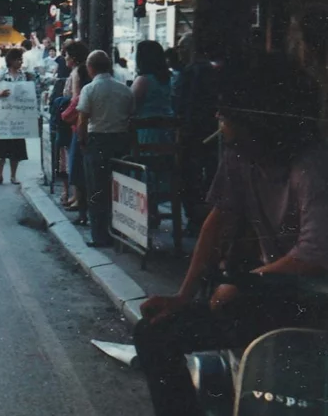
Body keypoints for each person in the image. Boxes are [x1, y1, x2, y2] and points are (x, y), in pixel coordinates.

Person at [133, 51, 327, 416]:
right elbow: (216, 221)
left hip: (312, 304)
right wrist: (182, 296)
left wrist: (246, 282)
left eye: (224, 112)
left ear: (254, 116)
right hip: (268, 293)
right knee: (155, 333)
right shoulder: (239, 158)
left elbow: (312, 257)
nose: (218, 118)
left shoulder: (311, 167)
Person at [76, 50, 134, 247]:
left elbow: (83, 120)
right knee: (119, 188)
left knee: (96, 190)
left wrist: (82, 141)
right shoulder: (124, 89)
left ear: (90, 68)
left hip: (98, 141)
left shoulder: (89, 89)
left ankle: (100, 235)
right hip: (121, 141)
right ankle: (120, 231)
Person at [172, 34, 220, 234]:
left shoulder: (190, 72)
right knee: (209, 175)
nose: (180, 53)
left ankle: (195, 219)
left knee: (189, 176)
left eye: (182, 49)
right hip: (211, 131)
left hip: (192, 132)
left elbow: (181, 104)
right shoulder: (211, 70)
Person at [59, 42, 91, 222]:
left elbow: (76, 98)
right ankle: (75, 197)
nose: (65, 59)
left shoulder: (77, 72)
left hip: (75, 118)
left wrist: (66, 114)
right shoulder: (79, 70)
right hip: (77, 118)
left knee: (75, 160)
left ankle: (78, 198)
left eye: (67, 56)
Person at [0, 47, 30, 185]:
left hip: (18, 115)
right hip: (2, 115)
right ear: (11, 61)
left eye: (21, 60)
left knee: (16, 147)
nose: (20, 62)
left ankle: (13, 175)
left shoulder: (24, 76)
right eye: (18, 59)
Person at [131, 40, 174, 146]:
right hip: (166, 130)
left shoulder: (142, 80)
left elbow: (130, 105)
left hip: (146, 131)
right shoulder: (167, 79)